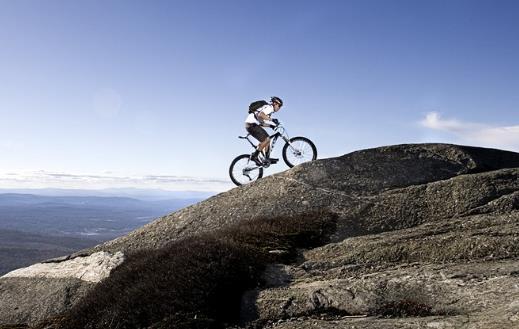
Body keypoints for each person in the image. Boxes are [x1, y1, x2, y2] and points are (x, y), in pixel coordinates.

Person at [245, 96, 283, 165]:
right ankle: (255, 156)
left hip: (251, 125)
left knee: (267, 141)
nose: (279, 108)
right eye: (279, 106)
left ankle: (266, 158)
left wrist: (270, 125)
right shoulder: (269, 108)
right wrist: (271, 120)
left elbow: (261, 123)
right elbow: (260, 115)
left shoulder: (266, 110)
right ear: (275, 103)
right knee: (267, 139)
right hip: (251, 125)